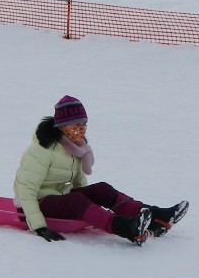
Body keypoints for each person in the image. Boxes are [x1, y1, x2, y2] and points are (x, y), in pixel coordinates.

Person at [13, 95, 187, 246]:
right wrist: (39, 227)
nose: (81, 129)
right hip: (37, 201)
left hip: (61, 197)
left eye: (84, 124)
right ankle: (128, 229)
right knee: (76, 200)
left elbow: (79, 182)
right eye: (76, 124)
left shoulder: (76, 147)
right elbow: (26, 190)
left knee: (102, 189)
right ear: (62, 126)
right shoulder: (42, 150)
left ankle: (157, 219)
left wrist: (92, 206)